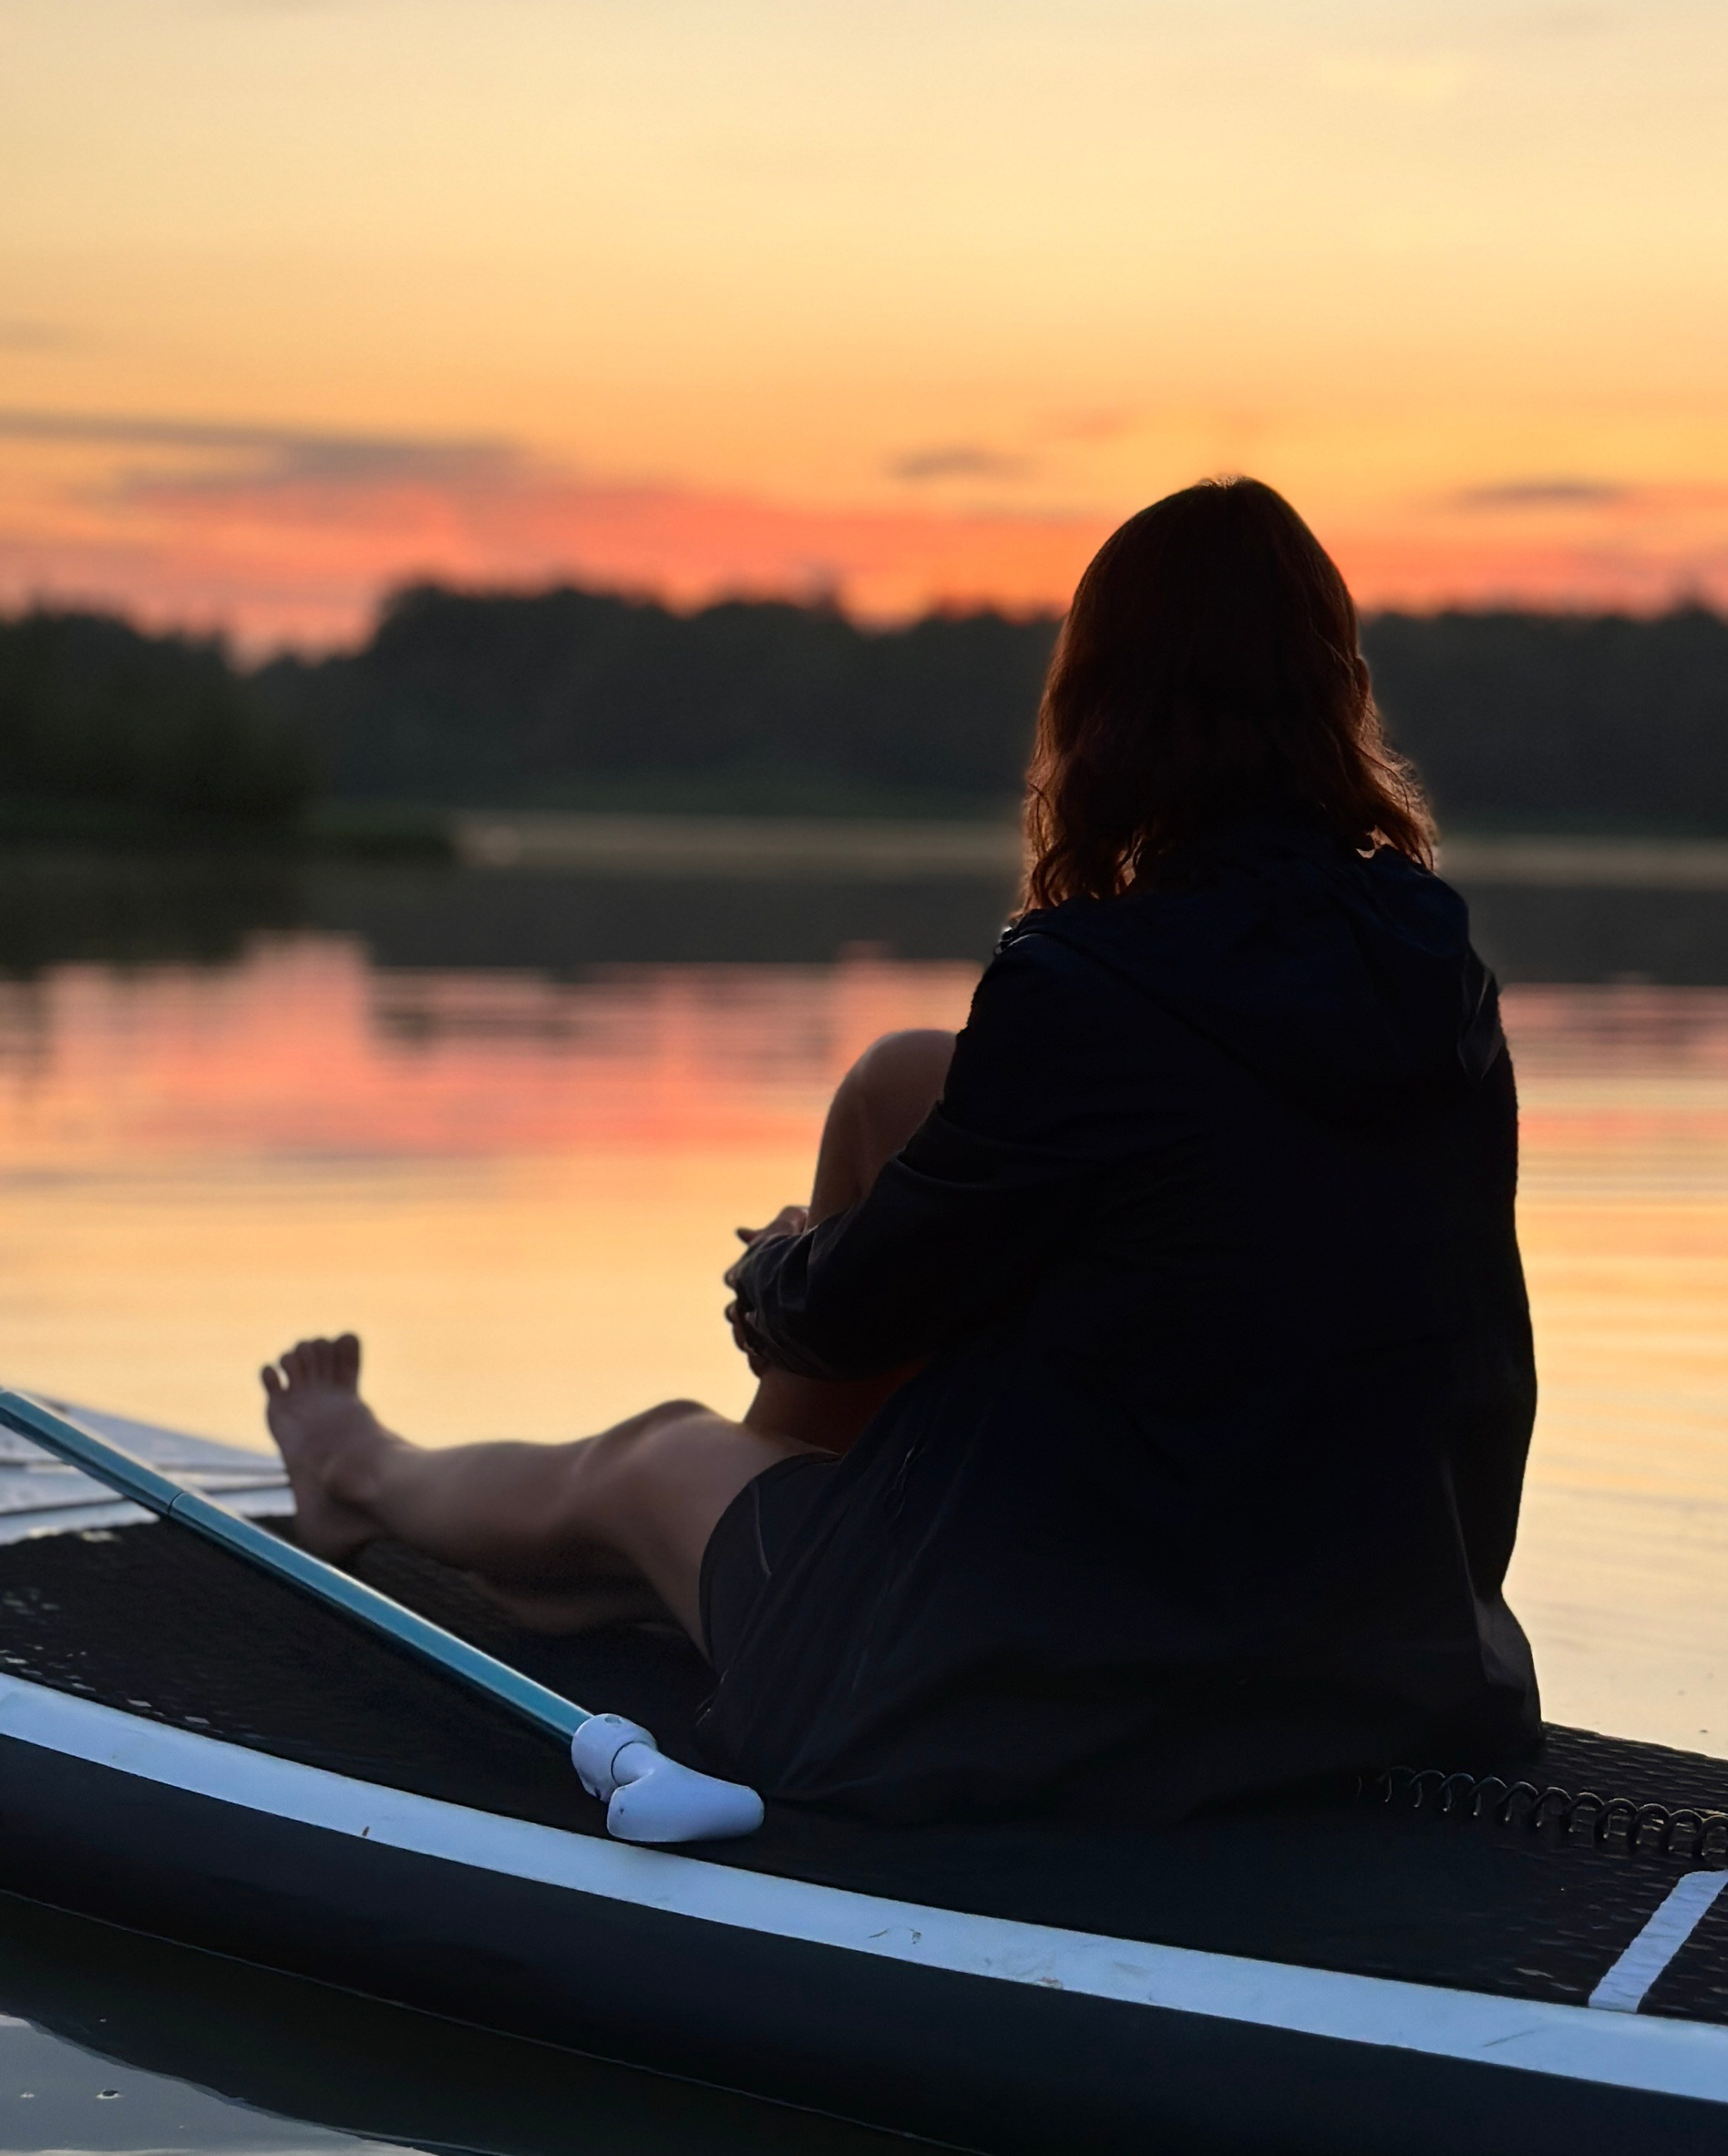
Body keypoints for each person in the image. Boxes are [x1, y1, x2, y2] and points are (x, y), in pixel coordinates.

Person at [263, 477, 1541, 1824]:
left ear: (1102, 705)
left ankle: (359, 1473)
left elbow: (853, 1310)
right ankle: (736, 1559)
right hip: (1386, 1660)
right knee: (899, 1083)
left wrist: (774, 1270)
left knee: (645, 1452)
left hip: (1065, 1695)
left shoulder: (1083, 992)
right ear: (1337, 693)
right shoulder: (1434, 974)